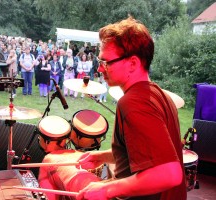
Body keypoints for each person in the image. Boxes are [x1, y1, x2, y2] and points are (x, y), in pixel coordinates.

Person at [40, 17, 187, 200]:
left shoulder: (134, 103)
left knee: (49, 162)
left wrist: (107, 189)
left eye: (107, 62)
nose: (101, 69)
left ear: (132, 63)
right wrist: (101, 157)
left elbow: (169, 173)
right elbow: (142, 155)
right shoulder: (160, 95)